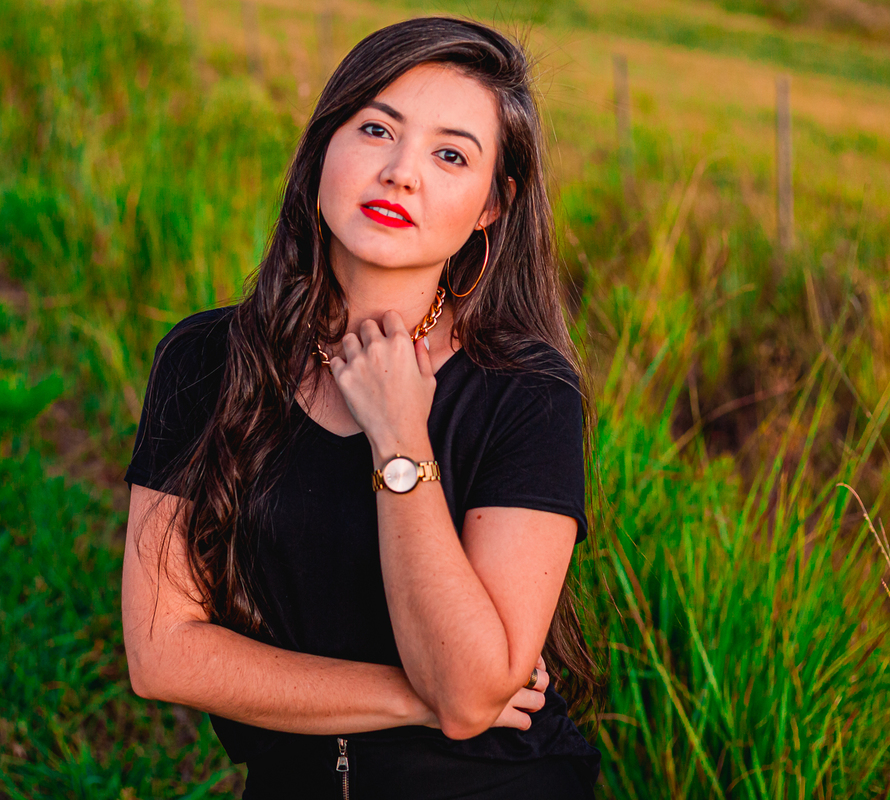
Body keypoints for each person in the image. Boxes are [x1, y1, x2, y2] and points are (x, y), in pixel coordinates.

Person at [120, 15, 603, 799]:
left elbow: (472, 682)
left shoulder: (527, 389)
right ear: (323, 152)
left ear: (491, 205)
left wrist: (397, 432)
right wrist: (410, 697)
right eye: (376, 129)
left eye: (452, 154)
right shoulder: (205, 360)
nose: (402, 173)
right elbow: (160, 652)